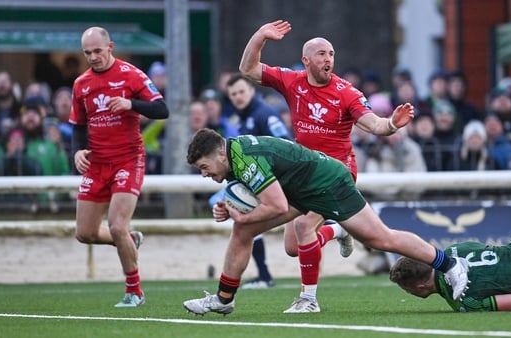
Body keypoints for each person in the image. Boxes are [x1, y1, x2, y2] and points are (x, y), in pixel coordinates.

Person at [182, 128, 470, 316]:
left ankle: (450, 265)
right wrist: (231, 211)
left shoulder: (244, 158)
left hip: (327, 182)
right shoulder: (232, 158)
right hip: (300, 188)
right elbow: (261, 199)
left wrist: (240, 215)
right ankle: (224, 299)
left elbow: (277, 205)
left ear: (220, 153)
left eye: (204, 167)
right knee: (278, 241)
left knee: (381, 239)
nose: (204, 175)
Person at [237, 20, 416, 313]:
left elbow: (374, 124)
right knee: (293, 248)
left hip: (336, 173)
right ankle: (338, 231)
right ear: (306, 60)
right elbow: (248, 69)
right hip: (303, 173)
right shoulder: (291, 80)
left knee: (303, 225)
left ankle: (308, 300)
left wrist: (393, 124)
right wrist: (259, 36)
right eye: (321, 54)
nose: (328, 59)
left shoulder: (346, 92)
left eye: (331, 54)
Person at [389, 128, 511, 312]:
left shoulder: (463, 300)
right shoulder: (453, 251)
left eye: (407, 289)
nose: (409, 293)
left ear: (419, 285)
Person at [69, 26, 169, 307]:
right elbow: (77, 126)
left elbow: (163, 110)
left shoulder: (131, 74)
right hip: (97, 164)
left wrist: (130, 103)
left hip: (128, 159)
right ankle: (129, 239)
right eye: (87, 53)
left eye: (98, 51)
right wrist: (77, 152)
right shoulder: (81, 84)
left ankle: (134, 292)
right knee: (85, 233)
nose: (93, 57)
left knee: (115, 226)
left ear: (110, 47)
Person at [224, 72, 293, 289]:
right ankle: (263, 276)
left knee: (249, 222)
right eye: (233, 94)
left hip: (278, 182)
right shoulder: (244, 118)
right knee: (247, 222)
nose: (238, 96)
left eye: (241, 91)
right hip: (264, 182)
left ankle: (264, 276)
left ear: (252, 91)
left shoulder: (265, 115)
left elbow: (285, 144)